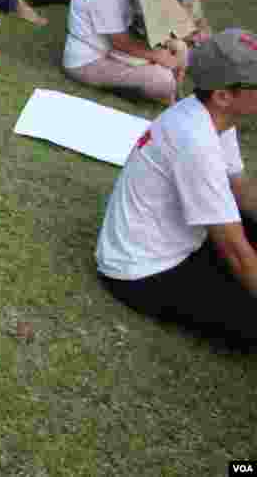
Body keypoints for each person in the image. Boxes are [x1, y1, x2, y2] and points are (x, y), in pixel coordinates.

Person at [96, 28, 257, 350]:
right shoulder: (196, 142)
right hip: (142, 271)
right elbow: (236, 252)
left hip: (175, 243)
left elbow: (242, 195)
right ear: (224, 95)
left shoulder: (213, 118)